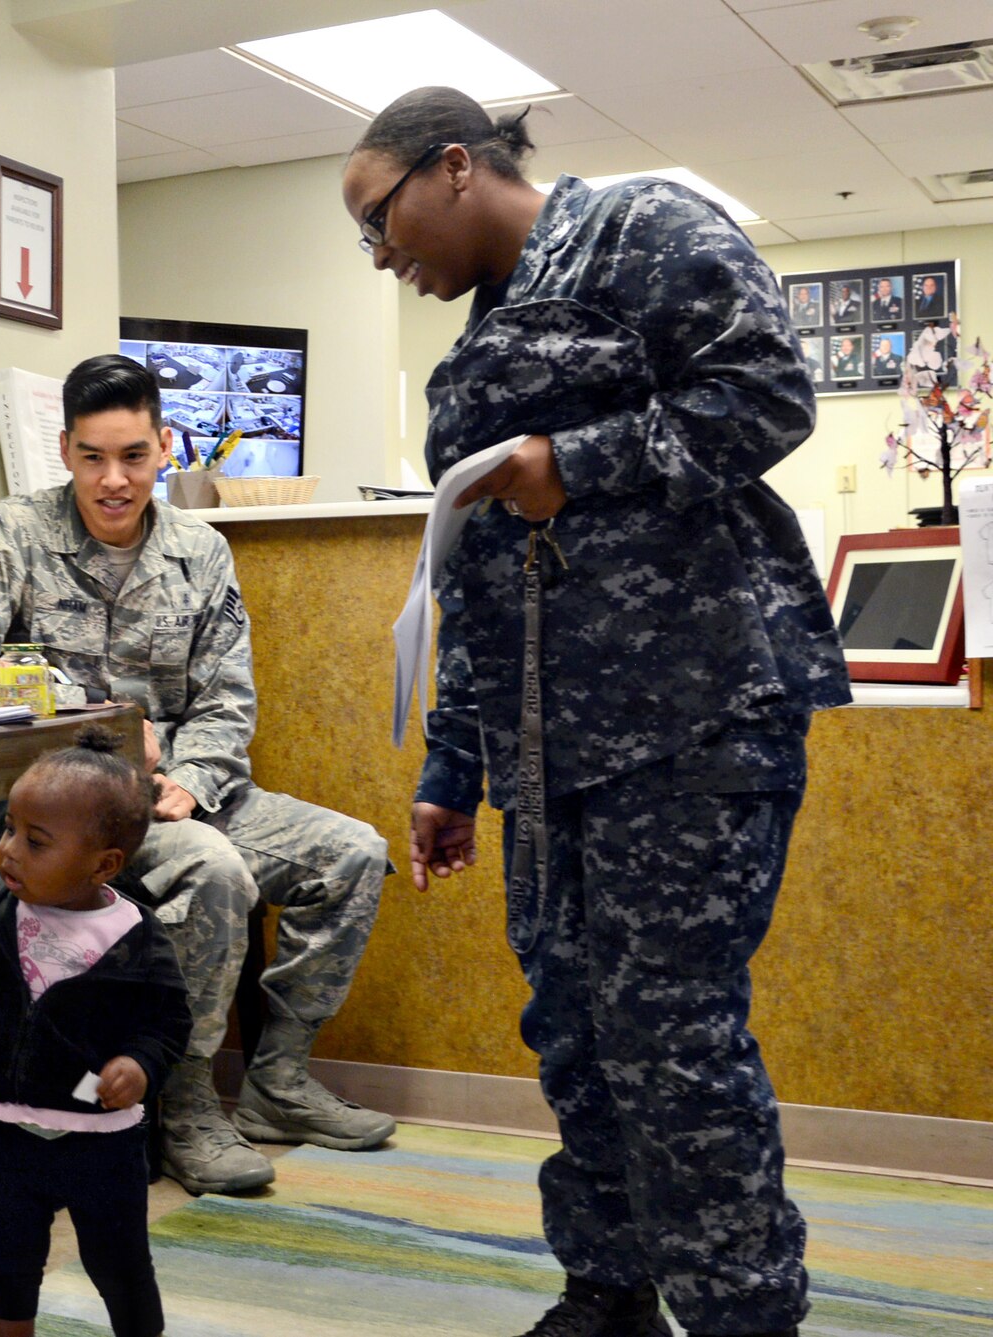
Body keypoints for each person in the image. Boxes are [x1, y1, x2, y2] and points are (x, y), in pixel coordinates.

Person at [342, 88, 849, 1337]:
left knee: (670, 1038)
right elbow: (466, 581)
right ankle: (607, 1291)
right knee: (571, 1029)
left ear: (451, 167)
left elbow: (770, 393)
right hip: (545, 753)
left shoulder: (643, 231)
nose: (378, 254)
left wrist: (579, 462)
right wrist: (451, 769)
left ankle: (742, 1314)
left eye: (379, 217)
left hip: (691, 722)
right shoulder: (468, 361)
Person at [0, 353, 395, 1198]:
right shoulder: (9, 536)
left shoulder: (202, 552)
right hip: (68, 814)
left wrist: (190, 780)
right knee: (212, 866)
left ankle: (277, 1080)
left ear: (165, 445)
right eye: (93, 456)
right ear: (65, 451)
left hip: (186, 796)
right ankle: (188, 1105)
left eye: (133, 455)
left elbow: (228, 699)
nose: (114, 479)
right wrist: (103, 743)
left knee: (352, 853)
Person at [0, 729, 190, 1337]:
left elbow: (167, 1024)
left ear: (103, 864)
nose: (9, 852)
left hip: (100, 1144)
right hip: (7, 1133)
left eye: (36, 841)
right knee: (7, 1262)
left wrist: (139, 1066)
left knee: (119, 1266)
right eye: (8, 829)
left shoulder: (136, 938)